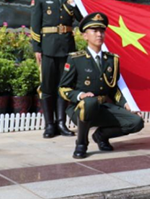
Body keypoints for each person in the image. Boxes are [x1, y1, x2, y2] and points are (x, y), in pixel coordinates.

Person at [59, 12, 144, 159]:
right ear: (85, 36)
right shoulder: (75, 59)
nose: (99, 34)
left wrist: (125, 104)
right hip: (81, 108)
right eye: (94, 31)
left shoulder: (112, 60)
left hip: (103, 106)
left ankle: (101, 136)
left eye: (102, 31)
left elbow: (114, 88)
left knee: (136, 122)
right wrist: (80, 96)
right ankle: (81, 143)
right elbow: (63, 88)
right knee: (89, 102)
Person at [30, 0, 83, 138]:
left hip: (67, 48)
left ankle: (61, 123)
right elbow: (35, 25)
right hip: (48, 48)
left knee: (64, 86)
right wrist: (37, 48)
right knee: (47, 87)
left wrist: (73, 4)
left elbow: (81, 19)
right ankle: (50, 125)